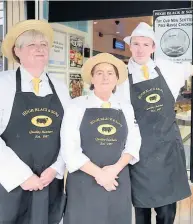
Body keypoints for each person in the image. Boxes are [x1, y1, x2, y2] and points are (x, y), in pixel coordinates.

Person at [115, 22, 193, 224]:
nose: (140, 49)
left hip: (167, 153)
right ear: (130, 46)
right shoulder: (120, 77)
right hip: (139, 155)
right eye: (136, 44)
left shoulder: (168, 69)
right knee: (141, 215)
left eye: (145, 45)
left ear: (153, 47)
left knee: (167, 215)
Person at [0, 20, 70, 223]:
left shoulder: (60, 88)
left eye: (44, 44)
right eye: (32, 45)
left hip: (50, 181)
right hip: (11, 183)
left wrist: (56, 168)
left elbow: (69, 134)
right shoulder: (3, 84)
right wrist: (23, 176)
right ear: (17, 51)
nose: (40, 49)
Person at [61, 53, 141, 224]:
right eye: (99, 73)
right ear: (92, 78)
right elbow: (70, 149)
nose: (105, 77)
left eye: (110, 73)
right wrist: (100, 174)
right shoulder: (76, 106)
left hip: (117, 179)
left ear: (117, 78)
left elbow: (134, 143)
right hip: (85, 181)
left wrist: (113, 170)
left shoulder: (125, 107)